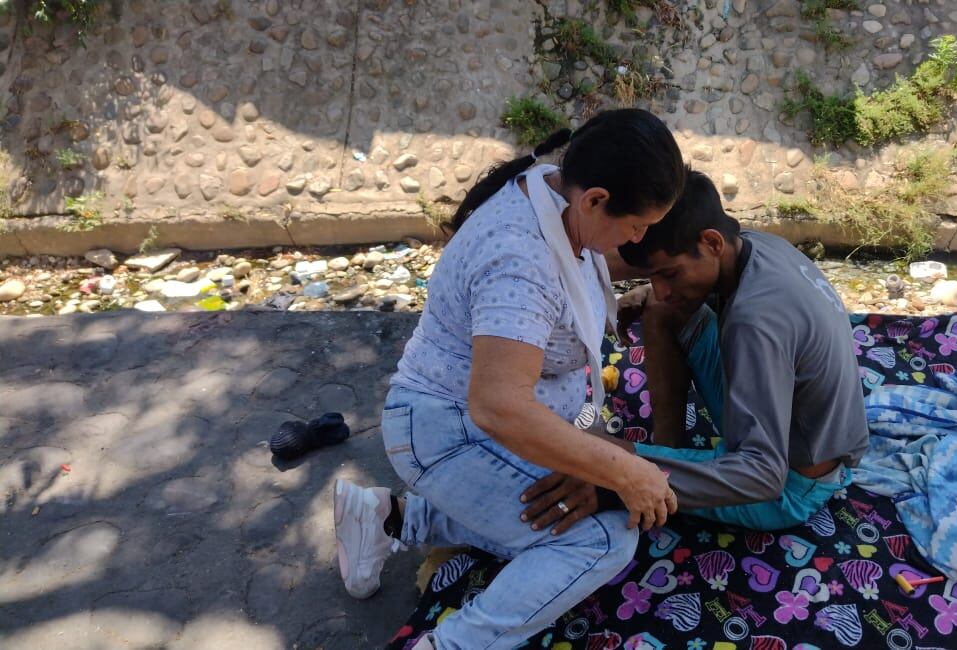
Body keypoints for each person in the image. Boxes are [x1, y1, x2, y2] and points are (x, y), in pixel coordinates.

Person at [332, 109, 686, 649]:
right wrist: (624, 470)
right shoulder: (518, 261)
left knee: (589, 488)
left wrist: (605, 460)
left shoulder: (555, 194)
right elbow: (498, 407)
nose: (639, 240)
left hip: (511, 416)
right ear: (595, 199)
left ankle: (390, 517)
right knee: (602, 538)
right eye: (638, 225)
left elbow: (595, 266)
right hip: (447, 431)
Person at [521, 169, 868, 534]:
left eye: (669, 274)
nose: (663, 287)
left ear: (712, 243)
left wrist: (616, 476)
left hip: (790, 487)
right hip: (803, 437)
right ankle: (668, 450)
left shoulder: (754, 323)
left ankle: (658, 468)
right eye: (652, 275)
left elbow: (764, 477)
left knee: (598, 461)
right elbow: (636, 266)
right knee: (661, 309)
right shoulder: (758, 244)